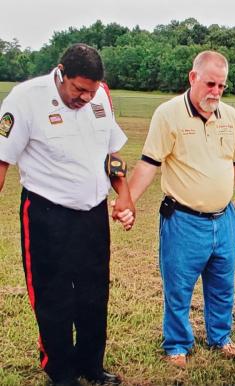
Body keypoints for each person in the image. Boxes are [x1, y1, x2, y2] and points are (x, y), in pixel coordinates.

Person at [0, 43, 134, 385]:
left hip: (92, 214)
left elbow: (111, 152)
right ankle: (60, 371)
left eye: (91, 91)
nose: (86, 98)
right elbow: (1, 161)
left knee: (94, 294)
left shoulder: (100, 96)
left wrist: (125, 196)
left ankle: (91, 365)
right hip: (47, 216)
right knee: (53, 296)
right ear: (61, 72)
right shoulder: (25, 98)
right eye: (79, 90)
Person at [125, 50, 235, 369]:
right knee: (179, 287)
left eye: (222, 86)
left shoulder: (231, 117)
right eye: (210, 83)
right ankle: (177, 344)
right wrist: (127, 201)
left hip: (223, 219)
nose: (215, 91)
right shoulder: (167, 114)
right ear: (193, 77)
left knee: (223, 286)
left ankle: (220, 337)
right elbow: (148, 164)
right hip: (183, 220)